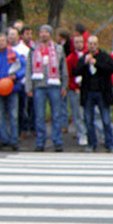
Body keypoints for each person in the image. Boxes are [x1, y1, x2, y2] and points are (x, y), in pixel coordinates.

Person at [25, 24, 68, 152]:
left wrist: (64, 85)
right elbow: (28, 68)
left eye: (46, 32)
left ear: (50, 34)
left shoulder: (58, 49)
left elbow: (63, 68)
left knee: (56, 114)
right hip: (39, 86)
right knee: (39, 115)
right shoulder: (33, 49)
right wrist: (29, 87)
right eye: (41, 32)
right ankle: (40, 142)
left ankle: (57, 141)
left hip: (54, 85)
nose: (44, 35)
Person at [74, 36, 113, 153]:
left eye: (94, 44)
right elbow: (76, 71)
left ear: (97, 45)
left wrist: (96, 63)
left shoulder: (104, 56)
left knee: (106, 120)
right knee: (88, 119)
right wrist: (85, 63)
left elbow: (110, 69)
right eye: (90, 44)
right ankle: (92, 144)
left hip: (102, 92)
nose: (92, 46)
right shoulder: (84, 57)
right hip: (88, 92)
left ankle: (109, 144)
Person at [0, 33, 25, 151]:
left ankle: (14, 140)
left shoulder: (13, 54)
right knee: (0, 115)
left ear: (6, 41)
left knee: (13, 115)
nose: (1, 43)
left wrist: (16, 76)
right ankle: (3, 139)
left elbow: (23, 67)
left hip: (12, 89)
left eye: (3, 41)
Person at [65, 34, 88, 146]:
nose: (79, 44)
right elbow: (68, 75)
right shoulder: (70, 59)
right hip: (75, 89)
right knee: (77, 113)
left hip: (87, 89)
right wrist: (73, 87)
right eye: (77, 42)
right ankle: (81, 133)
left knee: (89, 112)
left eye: (81, 42)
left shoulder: (87, 56)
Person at [8, 27, 30, 139]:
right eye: (9, 34)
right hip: (7, 84)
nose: (11, 37)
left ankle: (23, 129)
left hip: (21, 83)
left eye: (13, 34)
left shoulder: (24, 50)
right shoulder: (5, 49)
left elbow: (27, 67)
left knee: (21, 108)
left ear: (18, 36)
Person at [56, 27, 73, 133]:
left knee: (63, 102)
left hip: (64, 77)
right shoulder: (59, 46)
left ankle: (64, 124)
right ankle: (61, 123)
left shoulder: (66, 47)